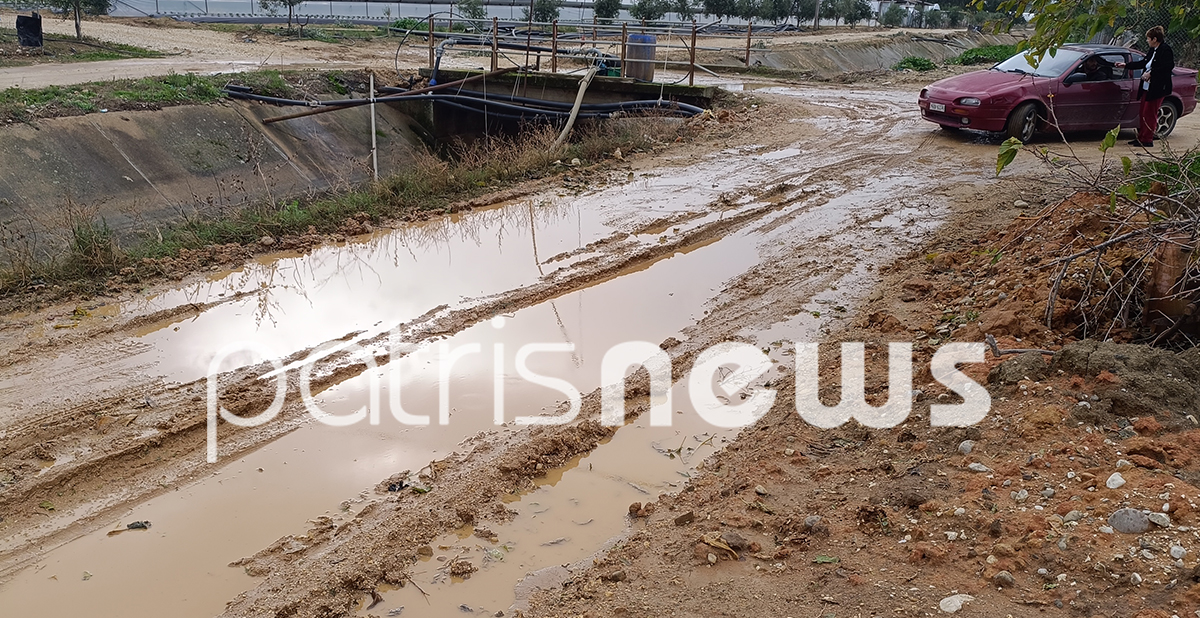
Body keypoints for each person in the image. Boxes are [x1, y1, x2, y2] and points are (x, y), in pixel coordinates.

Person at [1116, 25, 1175, 148]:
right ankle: (1141, 137)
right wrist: (1126, 65)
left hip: (1157, 88)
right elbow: (1143, 62)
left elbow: (1167, 67)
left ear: (1154, 39)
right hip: (1147, 87)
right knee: (1143, 112)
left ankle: (1147, 139)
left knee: (1150, 113)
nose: (1147, 41)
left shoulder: (1165, 50)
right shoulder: (1152, 50)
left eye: (1148, 38)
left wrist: (1151, 73)